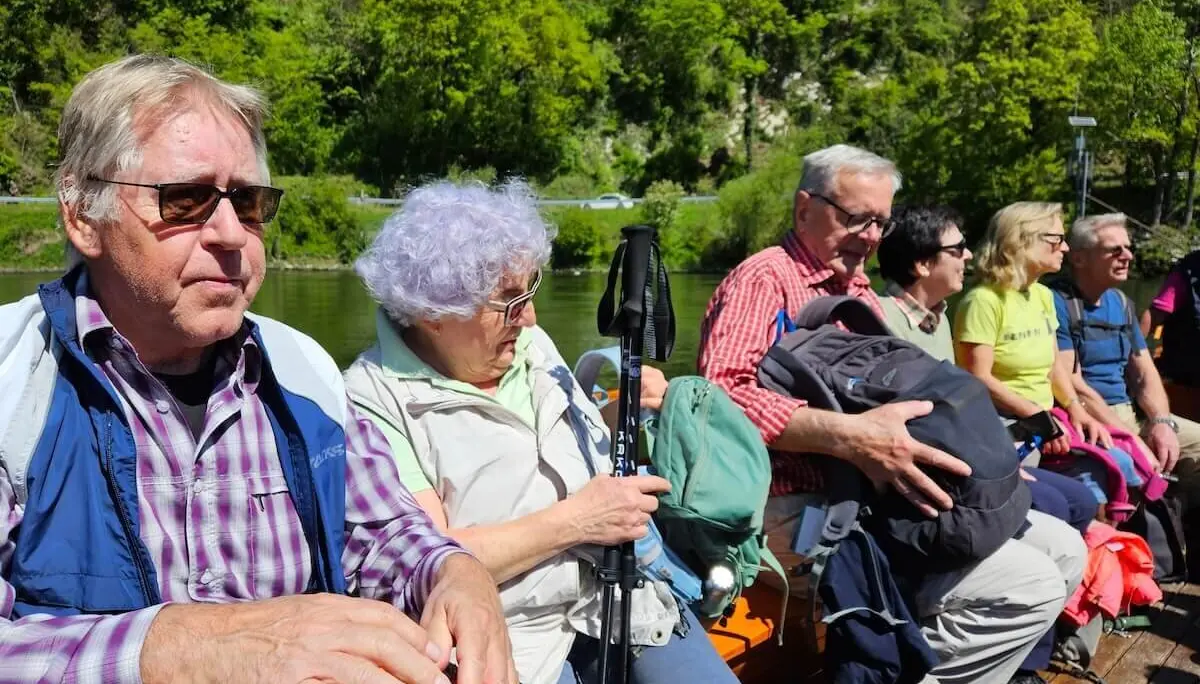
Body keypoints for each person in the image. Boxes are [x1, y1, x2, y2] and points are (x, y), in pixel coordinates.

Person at [0, 55, 515, 684]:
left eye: (246, 202)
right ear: (83, 215)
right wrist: (185, 648)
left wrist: (455, 574)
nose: (230, 234)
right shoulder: (13, 379)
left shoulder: (303, 372)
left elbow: (382, 534)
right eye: (184, 199)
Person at [698, 144, 1086, 684]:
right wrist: (849, 438)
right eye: (856, 218)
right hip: (794, 505)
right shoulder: (764, 280)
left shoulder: (856, 289)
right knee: (1029, 586)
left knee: (1066, 549)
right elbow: (719, 399)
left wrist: (979, 456)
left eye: (880, 222)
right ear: (803, 209)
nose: (873, 237)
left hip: (875, 496)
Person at [342, 180, 737, 684]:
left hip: (627, 601)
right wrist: (579, 520)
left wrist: (625, 415)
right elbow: (428, 558)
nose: (529, 316)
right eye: (509, 301)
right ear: (433, 314)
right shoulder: (370, 399)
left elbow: (575, 453)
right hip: (513, 639)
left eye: (531, 290)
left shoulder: (527, 344)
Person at [879, 205, 1100, 683]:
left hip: (978, 463)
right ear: (922, 265)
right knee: (1061, 508)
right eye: (956, 250)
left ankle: (1020, 661)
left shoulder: (936, 321)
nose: (967, 257)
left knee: (1072, 517)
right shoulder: (884, 322)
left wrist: (1073, 412)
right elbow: (931, 420)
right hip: (937, 488)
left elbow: (957, 409)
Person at [954, 203, 1143, 510]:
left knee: (1121, 458)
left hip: (1046, 418)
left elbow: (1056, 367)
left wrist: (1076, 409)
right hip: (1006, 424)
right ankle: (1090, 543)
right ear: (1023, 240)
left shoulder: (1042, 295)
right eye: (1056, 239)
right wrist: (1038, 418)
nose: (1066, 248)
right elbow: (978, 378)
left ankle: (1116, 549)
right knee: (1095, 472)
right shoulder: (983, 302)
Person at [1053, 213, 1200, 482]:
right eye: (1114, 250)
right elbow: (1069, 385)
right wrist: (1132, 439)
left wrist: (1162, 423)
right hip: (1090, 418)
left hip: (1131, 412)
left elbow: (1145, 372)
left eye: (1128, 247)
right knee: (1128, 467)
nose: (1128, 256)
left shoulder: (1121, 303)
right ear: (1078, 258)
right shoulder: (1057, 302)